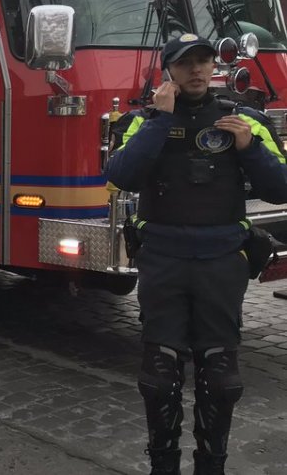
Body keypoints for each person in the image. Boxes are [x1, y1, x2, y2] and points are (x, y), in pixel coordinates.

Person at [105, 34, 287, 475]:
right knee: (159, 377)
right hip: (163, 260)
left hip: (221, 262)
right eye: (186, 64)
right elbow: (121, 176)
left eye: (204, 61)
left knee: (221, 378)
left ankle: (212, 466)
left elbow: (280, 188)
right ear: (169, 70)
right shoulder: (143, 121)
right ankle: (162, 465)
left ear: (214, 67)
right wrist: (158, 122)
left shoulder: (244, 120)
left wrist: (251, 148)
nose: (197, 71)